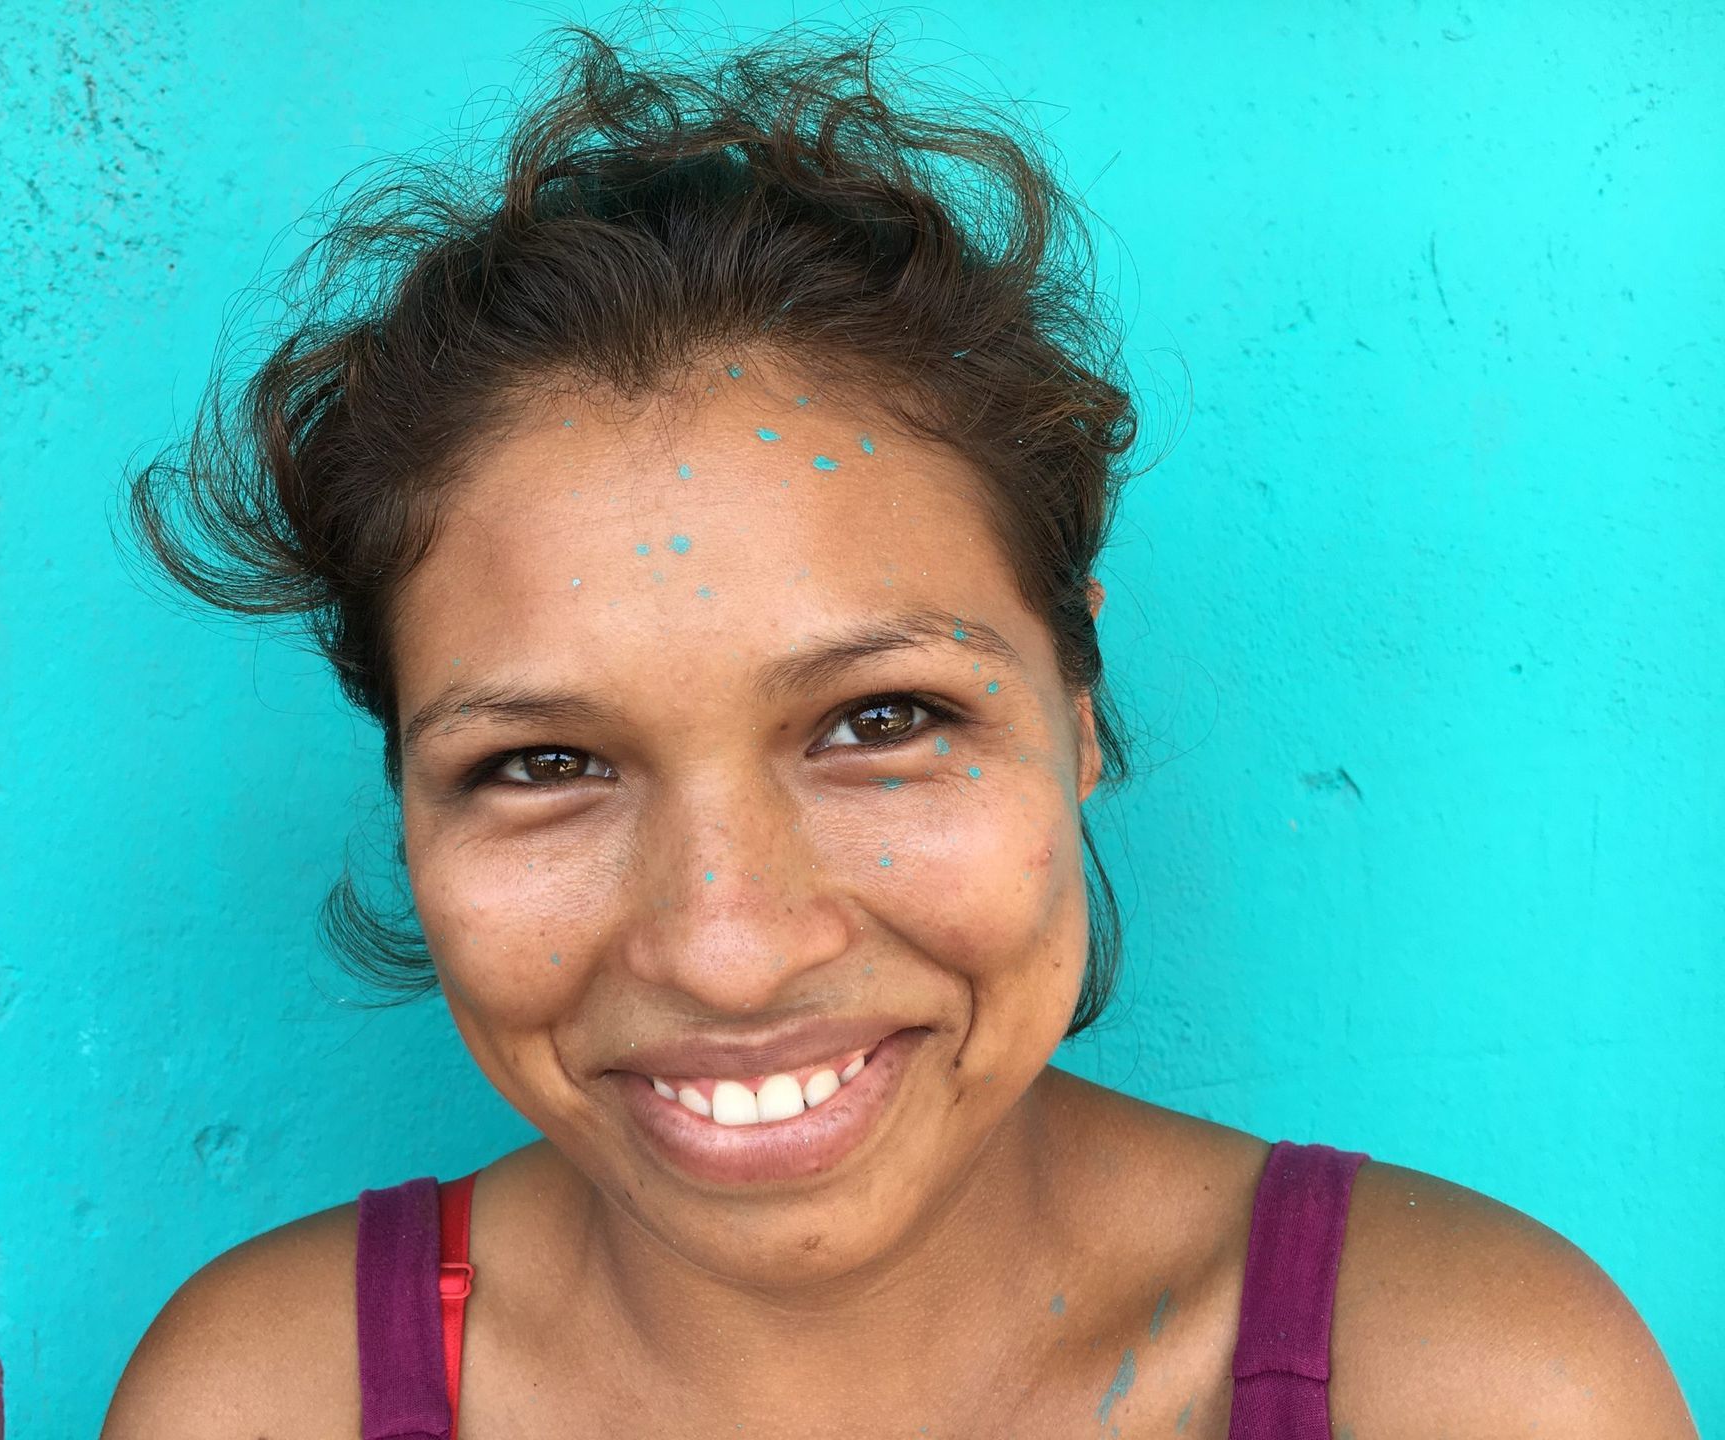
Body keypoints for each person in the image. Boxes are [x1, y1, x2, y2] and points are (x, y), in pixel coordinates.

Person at [101, 28, 1696, 1440]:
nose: (731, 950)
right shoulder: (267, 1399)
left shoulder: (1474, 1389)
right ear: (403, 803)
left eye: (882, 719)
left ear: (1079, 709)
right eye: (542, 764)